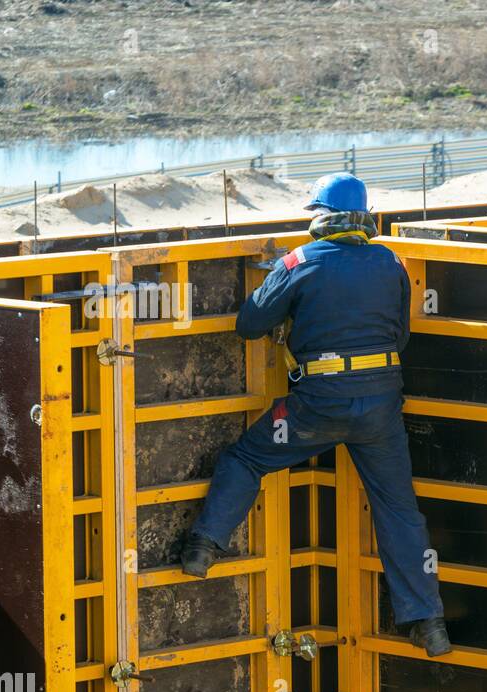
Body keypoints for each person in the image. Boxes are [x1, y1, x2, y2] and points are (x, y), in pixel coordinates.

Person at [180, 172, 450, 657]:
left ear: (321, 216)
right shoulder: (391, 263)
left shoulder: (297, 262)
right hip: (381, 408)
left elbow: (248, 326)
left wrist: (284, 293)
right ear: (362, 217)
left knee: (247, 459)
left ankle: (203, 547)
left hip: (314, 408)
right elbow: (399, 338)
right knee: (399, 511)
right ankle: (429, 623)